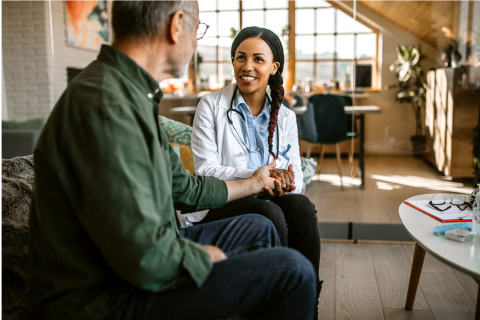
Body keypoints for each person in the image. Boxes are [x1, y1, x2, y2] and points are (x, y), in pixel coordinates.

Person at [26, 1, 316, 320]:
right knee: (294, 271)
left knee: (260, 225)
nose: (196, 43)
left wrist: (255, 182)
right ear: (177, 25)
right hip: (102, 297)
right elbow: (140, 255)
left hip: (139, 260)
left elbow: (184, 189)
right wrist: (201, 258)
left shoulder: (132, 95)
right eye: (198, 29)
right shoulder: (108, 106)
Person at [190, 26, 322, 314]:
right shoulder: (211, 105)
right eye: (240, 57)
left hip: (267, 196)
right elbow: (204, 171)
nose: (247, 67)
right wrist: (256, 177)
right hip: (224, 199)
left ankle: (306, 301)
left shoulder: (285, 116)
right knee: (271, 213)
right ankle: (276, 299)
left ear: (273, 67)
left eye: (258, 59)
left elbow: (296, 174)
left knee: (301, 206)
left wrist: (285, 182)